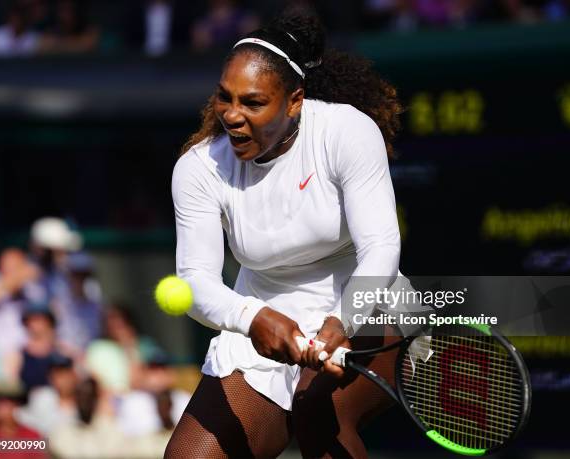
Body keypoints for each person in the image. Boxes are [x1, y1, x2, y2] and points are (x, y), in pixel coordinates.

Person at [166, 9, 403, 458]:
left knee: (316, 412)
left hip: (367, 305)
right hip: (261, 317)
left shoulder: (346, 131)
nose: (232, 115)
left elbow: (380, 247)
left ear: (294, 101)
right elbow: (195, 281)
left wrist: (342, 321)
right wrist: (253, 318)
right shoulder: (197, 169)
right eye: (225, 98)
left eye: (252, 103)